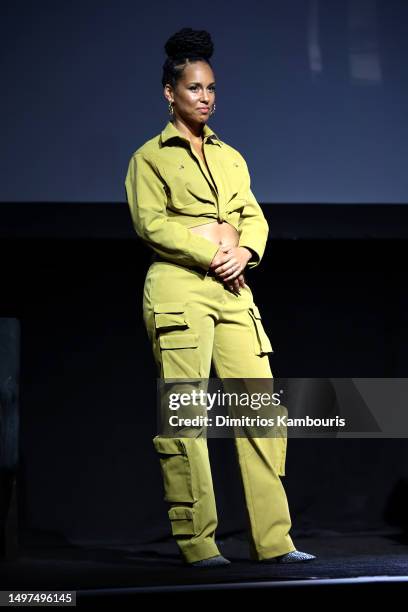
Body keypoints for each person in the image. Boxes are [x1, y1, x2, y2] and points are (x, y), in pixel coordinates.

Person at [125, 27, 316, 567]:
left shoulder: (231, 156)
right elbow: (150, 224)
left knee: (261, 411)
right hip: (179, 289)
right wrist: (209, 252)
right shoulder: (149, 157)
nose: (205, 97)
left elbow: (253, 214)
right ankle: (198, 543)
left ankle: (275, 541)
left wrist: (245, 253)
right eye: (193, 88)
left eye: (211, 88)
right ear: (170, 92)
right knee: (187, 418)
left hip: (235, 291)